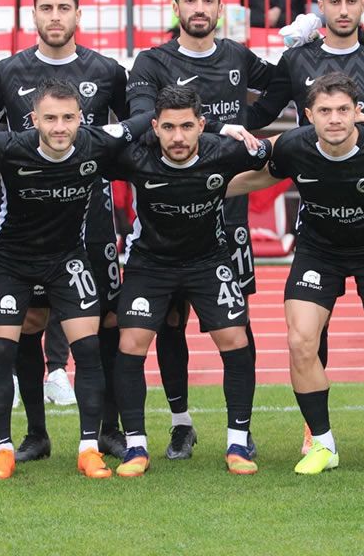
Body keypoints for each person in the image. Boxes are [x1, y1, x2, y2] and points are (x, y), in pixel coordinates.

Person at [226, 73, 364, 476]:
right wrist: (202, 188)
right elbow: (261, 177)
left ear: (356, 112)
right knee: (300, 340)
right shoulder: (293, 146)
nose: (334, 119)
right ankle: (322, 444)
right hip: (318, 252)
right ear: (309, 114)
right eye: (325, 111)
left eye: (343, 110)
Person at [0, 0, 132, 462]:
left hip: (90, 216)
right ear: (33, 15)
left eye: (64, 7)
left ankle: (107, 430)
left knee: (106, 320)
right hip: (23, 214)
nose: (55, 16)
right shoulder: (7, 72)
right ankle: (36, 434)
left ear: (79, 14)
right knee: (29, 322)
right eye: (46, 8)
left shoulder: (106, 71)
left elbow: (131, 134)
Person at [0, 78, 150, 481]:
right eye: (50, 119)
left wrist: (225, 128)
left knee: (89, 349)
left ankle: (88, 449)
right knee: (1, 352)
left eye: (67, 118)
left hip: (68, 261)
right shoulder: (8, 147)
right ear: (33, 120)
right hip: (11, 263)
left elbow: (151, 119)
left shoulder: (97, 142)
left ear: (81, 118)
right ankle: (3, 450)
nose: (59, 127)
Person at [126, 0, 278, 461]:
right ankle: (181, 424)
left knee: (236, 322)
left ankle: (241, 430)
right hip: (169, 215)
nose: (198, 7)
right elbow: (142, 125)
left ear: (220, 8)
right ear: (176, 7)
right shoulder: (153, 61)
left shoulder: (237, 55)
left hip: (227, 213)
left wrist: (245, 125)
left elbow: (282, 86)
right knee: (170, 322)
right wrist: (213, 136)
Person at [110, 85, 272, 477]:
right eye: (168, 127)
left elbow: (279, 152)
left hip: (208, 260)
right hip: (150, 263)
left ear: (202, 125)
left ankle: (238, 442)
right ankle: (136, 447)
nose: (178, 137)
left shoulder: (226, 151)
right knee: (131, 343)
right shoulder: (135, 157)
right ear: (155, 127)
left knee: (235, 338)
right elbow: (86, 148)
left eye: (187, 126)